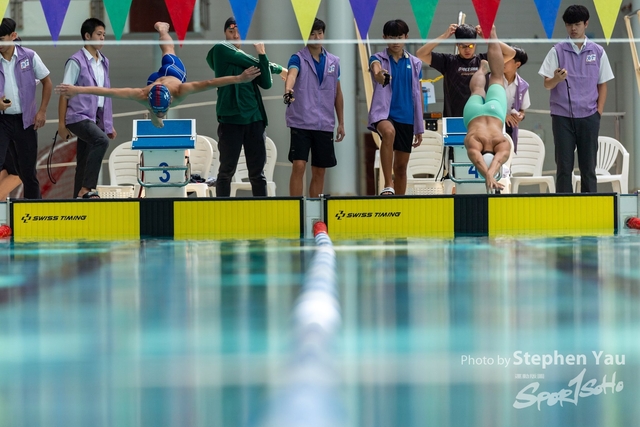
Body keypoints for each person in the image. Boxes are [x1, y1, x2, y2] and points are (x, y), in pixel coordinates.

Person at [56, 22, 261, 129]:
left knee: (168, 50)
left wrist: (239, 78)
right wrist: (77, 89)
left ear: (170, 100)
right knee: (167, 54)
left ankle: (163, 30)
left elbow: (210, 82)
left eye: (162, 111)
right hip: (154, 83)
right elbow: (107, 91)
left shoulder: (181, 89)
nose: (163, 112)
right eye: (160, 111)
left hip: (170, 75)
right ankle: (155, 116)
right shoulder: (143, 94)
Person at [206, 17, 287, 197]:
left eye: (239, 32)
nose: (235, 36)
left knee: (257, 173)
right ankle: (221, 210)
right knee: (226, 171)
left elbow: (266, 83)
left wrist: (263, 56)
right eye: (231, 32)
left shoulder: (247, 61)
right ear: (225, 33)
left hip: (254, 119)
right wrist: (279, 69)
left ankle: (261, 209)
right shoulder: (221, 49)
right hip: (230, 120)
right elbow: (258, 66)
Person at [538, 5, 614, 193]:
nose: (573, 28)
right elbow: (546, 84)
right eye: (569, 25)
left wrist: (598, 112)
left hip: (589, 116)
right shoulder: (557, 51)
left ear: (586, 24)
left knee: (589, 167)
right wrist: (556, 79)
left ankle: (590, 205)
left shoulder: (598, 52)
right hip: (562, 116)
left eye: (577, 24)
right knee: (564, 167)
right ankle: (564, 205)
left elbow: (603, 84)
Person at [284, 18, 345, 198]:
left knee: (319, 170)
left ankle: (315, 209)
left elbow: (338, 93)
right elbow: (292, 74)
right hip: (301, 121)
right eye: (312, 34)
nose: (317, 37)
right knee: (299, 165)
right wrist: (288, 89)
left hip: (324, 123)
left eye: (319, 33)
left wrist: (341, 122)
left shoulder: (333, 61)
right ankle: (296, 206)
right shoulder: (297, 58)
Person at [58, 18, 116, 199]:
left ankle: (78, 198)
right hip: (78, 116)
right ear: (87, 36)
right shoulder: (76, 61)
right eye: (99, 34)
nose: (102, 38)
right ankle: (87, 188)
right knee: (101, 141)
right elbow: (64, 93)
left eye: (104, 35)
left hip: (95, 118)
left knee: (83, 161)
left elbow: (105, 95)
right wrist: (62, 125)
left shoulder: (104, 61)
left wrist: (108, 124)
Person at [368, 19, 423, 196]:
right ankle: (387, 184)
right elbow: (376, 70)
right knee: (388, 132)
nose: (395, 41)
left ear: (406, 37)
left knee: (401, 167)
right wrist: (379, 75)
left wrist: (419, 126)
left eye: (399, 37)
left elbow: (418, 95)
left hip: (406, 117)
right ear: (384, 38)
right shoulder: (378, 58)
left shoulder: (415, 63)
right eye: (391, 37)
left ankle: (399, 203)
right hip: (383, 113)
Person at [0, 17, 52, 199]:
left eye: (1, 39)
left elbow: (47, 82)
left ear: (13, 36)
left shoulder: (29, 56)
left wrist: (42, 111)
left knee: (28, 172)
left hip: (26, 121)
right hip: (2, 121)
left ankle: (34, 210)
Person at [462, 25, 515, 193]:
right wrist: (488, 175)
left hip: (495, 112)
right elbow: (478, 160)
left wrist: (490, 175)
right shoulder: (473, 140)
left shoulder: (502, 142)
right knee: (477, 90)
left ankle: (492, 33)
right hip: (473, 114)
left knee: (497, 78)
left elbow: (496, 161)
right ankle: (482, 69)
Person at [416, 23, 488, 118]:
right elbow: (421, 54)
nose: (467, 50)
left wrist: (489, 39)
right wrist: (444, 36)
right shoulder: (449, 61)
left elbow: (507, 53)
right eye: (463, 46)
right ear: (457, 44)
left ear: (475, 44)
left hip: (479, 117)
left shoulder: (484, 60)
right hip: (453, 118)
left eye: (470, 46)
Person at [503, 46, 530, 152]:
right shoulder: (492, 79)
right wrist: (503, 116)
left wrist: (520, 116)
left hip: (510, 128)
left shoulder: (523, 86)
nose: (503, 61)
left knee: (508, 156)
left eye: (507, 59)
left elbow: (523, 110)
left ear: (517, 64)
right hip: (492, 125)